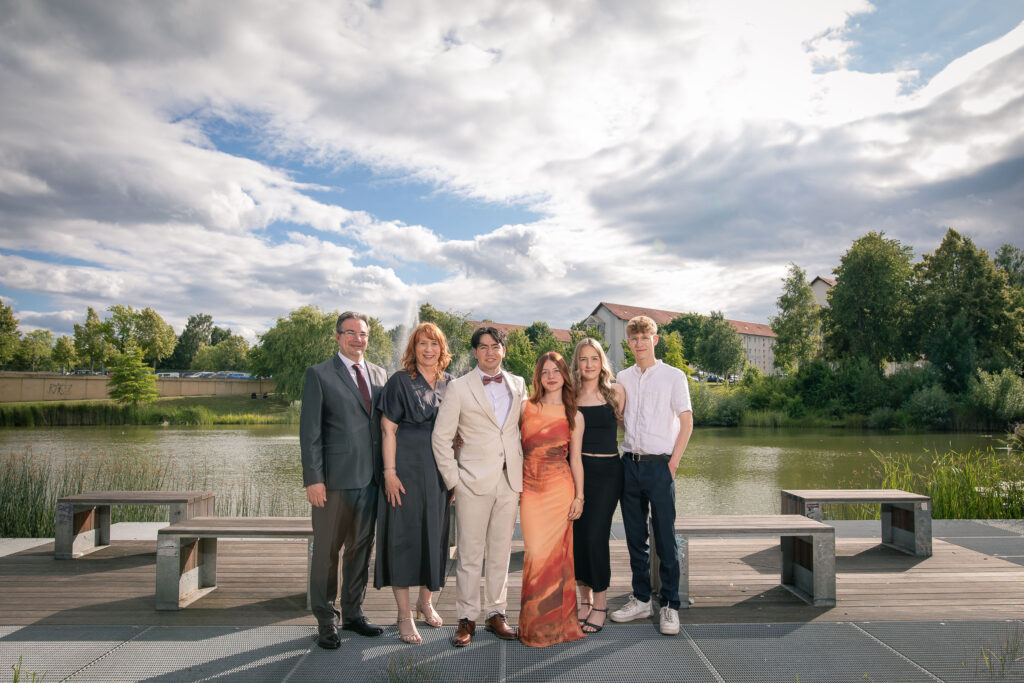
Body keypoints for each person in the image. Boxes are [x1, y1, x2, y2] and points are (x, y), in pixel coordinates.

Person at [432, 326, 527, 647]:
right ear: (475, 352)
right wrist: (454, 480)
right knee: (470, 555)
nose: (490, 352)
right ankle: (466, 618)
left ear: (504, 350)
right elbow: (441, 438)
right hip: (471, 482)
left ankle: (496, 613)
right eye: (483, 347)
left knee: (501, 553)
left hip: (509, 482)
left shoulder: (518, 384)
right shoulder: (458, 387)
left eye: (495, 346)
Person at [300, 311, 388, 649]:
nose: (357, 339)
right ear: (337, 337)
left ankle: (353, 613)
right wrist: (314, 479)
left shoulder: (379, 374)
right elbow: (310, 432)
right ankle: (326, 619)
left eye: (362, 333)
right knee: (326, 551)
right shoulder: (319, 374)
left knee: (360, 549)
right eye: (350, 333)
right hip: (333, 482)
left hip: (371, 480)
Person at [609, 315, 693, 636]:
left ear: (655, 340)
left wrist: (673, 465)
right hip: (630, 464)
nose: (639, 343)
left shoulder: (674, 376)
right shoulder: (622, 377)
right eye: (634, 339)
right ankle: (642, 599)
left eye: (645, 338)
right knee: (634, 538)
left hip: (660, 466)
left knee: (665, 538)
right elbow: (622, 420)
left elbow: (686, 422)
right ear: (628, 343)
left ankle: (670, 605)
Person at [374, 322, 454, 644]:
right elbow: (388, 430)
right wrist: (389, 473)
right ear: (413, 348)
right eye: (422, 343)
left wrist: (453, 476)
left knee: (434, 537)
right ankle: (404, 614)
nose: (428, 349)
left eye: (434, 344)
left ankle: (426, 602)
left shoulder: (450, 383)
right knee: (404, 539)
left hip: (438, 473)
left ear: (442, 349)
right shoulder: (399, 381)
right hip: (404, 471)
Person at [518, 351, 586, 648]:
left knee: (557, 560)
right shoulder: (526, 408)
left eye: (556, 371)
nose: (550, 376)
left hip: (560, 490)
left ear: (564, 375)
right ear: (538, 377)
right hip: (530, 489)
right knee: (535, 555)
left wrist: (579, 496)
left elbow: (576, 460)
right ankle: (533, 628)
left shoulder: (575, 415)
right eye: (545, 372)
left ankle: (555, 628)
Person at [570, 338, 626, 634]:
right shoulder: (570, 395)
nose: (589, 364)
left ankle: (601, 603)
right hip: (576, 472)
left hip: (607, 474)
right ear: (577, 363)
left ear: (601, 361)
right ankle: (585, 600)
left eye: (594, 358)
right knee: (578, 537)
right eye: (583, 359)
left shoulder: (615, 392)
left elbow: (631, 427)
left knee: (596, 536)